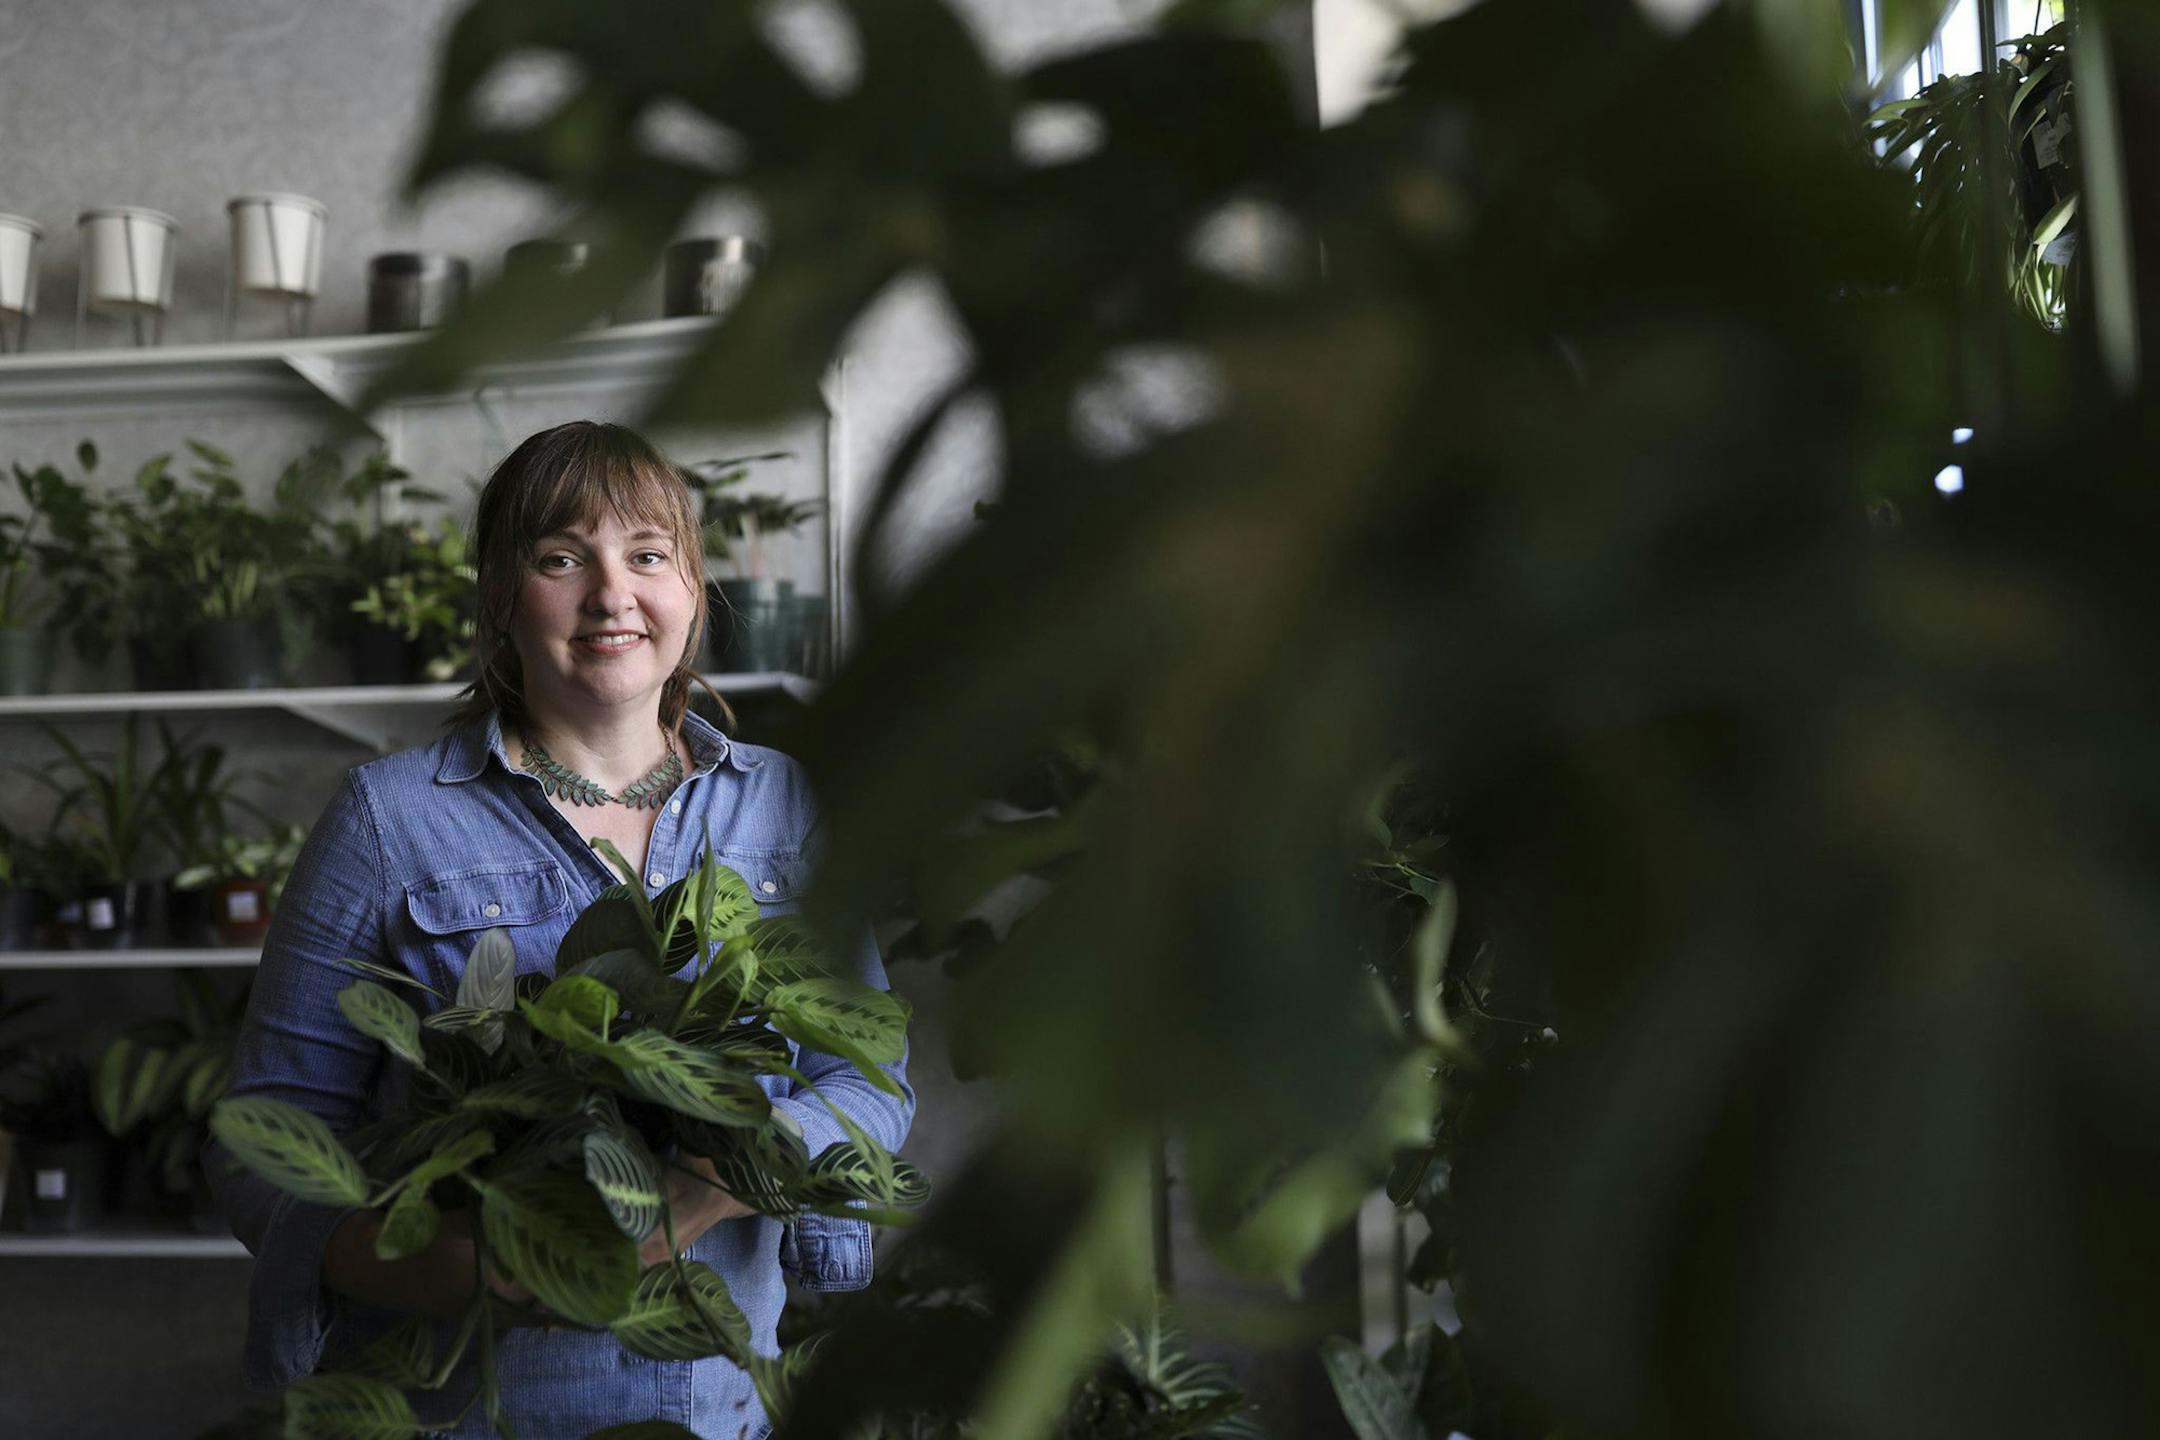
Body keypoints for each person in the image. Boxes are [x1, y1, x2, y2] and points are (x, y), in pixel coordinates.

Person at [209, 420, 913, 1439]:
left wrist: (710, 1187)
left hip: (717, 1404)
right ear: (501, 596)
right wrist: (439, 1267)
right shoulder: (386, 819)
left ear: (693, 589)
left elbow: (873, 1076)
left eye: (648, 554)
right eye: (560, 558)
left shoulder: (784, 806)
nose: (612, 593)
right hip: (466, 1406)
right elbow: (263, 1142)